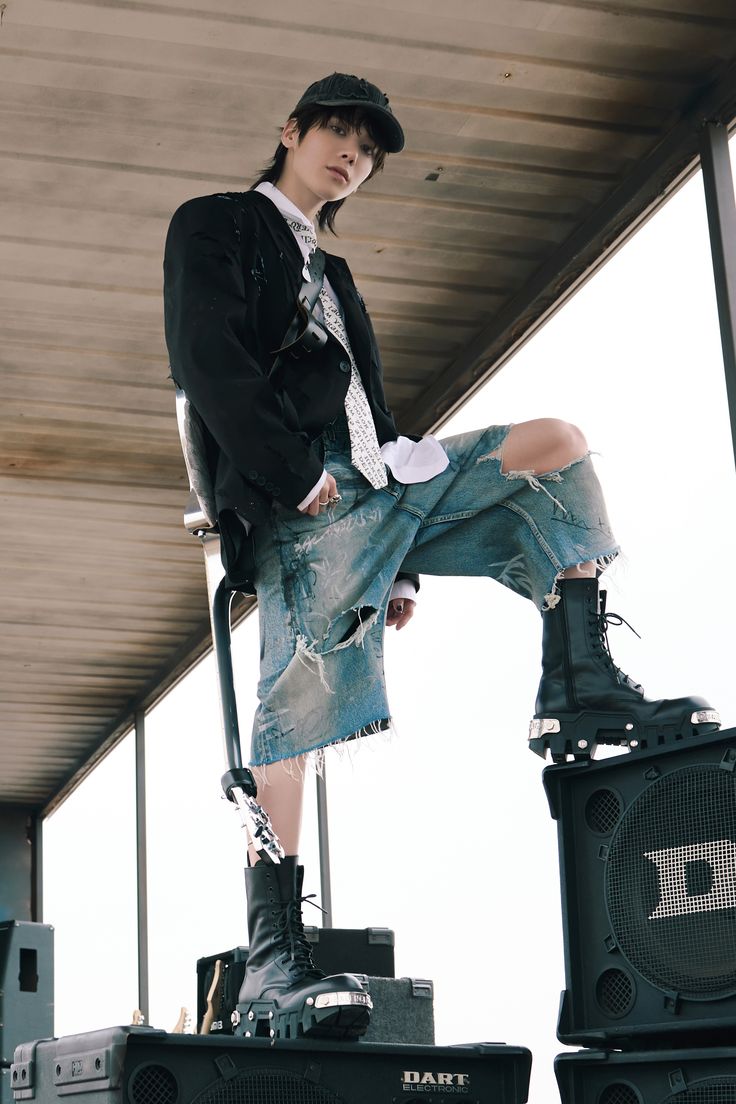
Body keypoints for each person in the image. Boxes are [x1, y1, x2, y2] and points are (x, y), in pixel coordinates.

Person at [163, 73, 719, 1042]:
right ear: (290, 131)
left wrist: (405, 562)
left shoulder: (334, 278)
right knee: (297, 716)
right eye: (337, 133)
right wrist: (294, 477)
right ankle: (270, 957)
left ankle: (577, 674)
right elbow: (206, 361)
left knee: (555, 447)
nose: (351, 157)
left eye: (367, 151)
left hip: (388, 485)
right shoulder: (214, 227)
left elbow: (370, 412)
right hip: (304, 500)